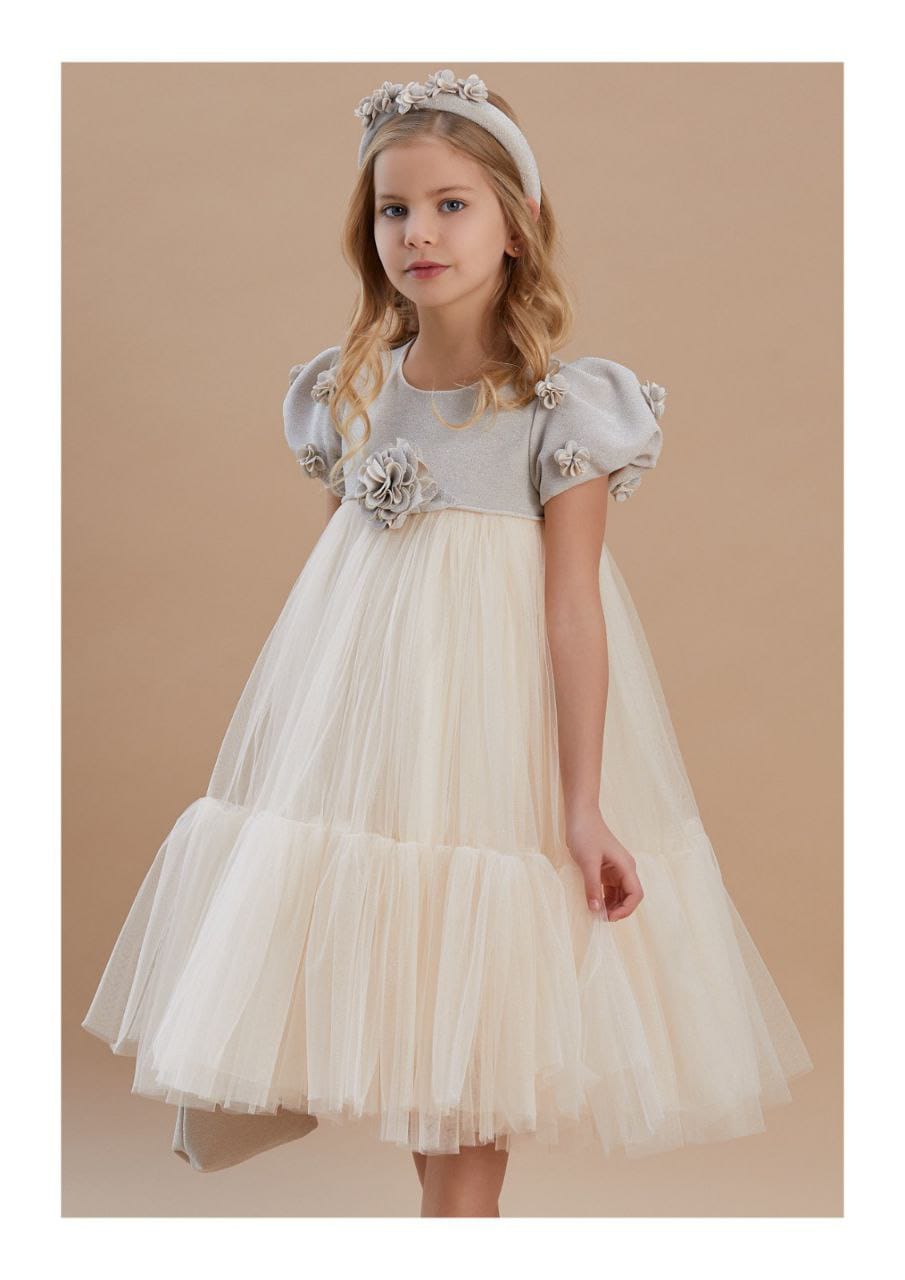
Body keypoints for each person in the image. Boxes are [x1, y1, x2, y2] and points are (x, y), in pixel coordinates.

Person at [82, 68, 813, 1218]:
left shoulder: (561, 409)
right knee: (420, 1027)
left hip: (491, 751)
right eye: (394, 209)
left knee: (473, 1039)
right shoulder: (348, 392)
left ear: (516, 225)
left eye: (450, 204)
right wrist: (306, 765)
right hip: (384, 759)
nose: (417, 232)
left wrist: (581, 803)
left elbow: (571, 608)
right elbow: (339, 600)